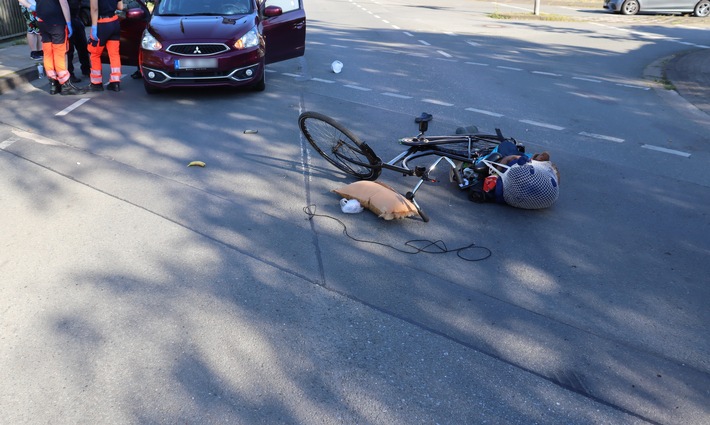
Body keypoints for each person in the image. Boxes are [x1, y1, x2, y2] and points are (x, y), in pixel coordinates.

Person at [32, 0, 85, 95]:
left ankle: (53, 83)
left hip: (42, 22)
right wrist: (68, 22)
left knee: (48, 53)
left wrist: (33, 6)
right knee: (59, 53)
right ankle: (65, 84)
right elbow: (63, 3)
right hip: (56, 21)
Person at [87, 0, 123, 92]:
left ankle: (96, 83)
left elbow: (94, 8)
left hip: (101, 24)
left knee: (95, 54)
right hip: (114, 22)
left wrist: (94, 26)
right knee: (114, 54)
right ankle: (115, 82)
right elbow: (120, 7)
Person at [66, 0, 90, 82]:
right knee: (69, 50)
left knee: (82, 46)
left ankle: (86, 68)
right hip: (67, 19)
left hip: (76, 17)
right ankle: (70, 73)